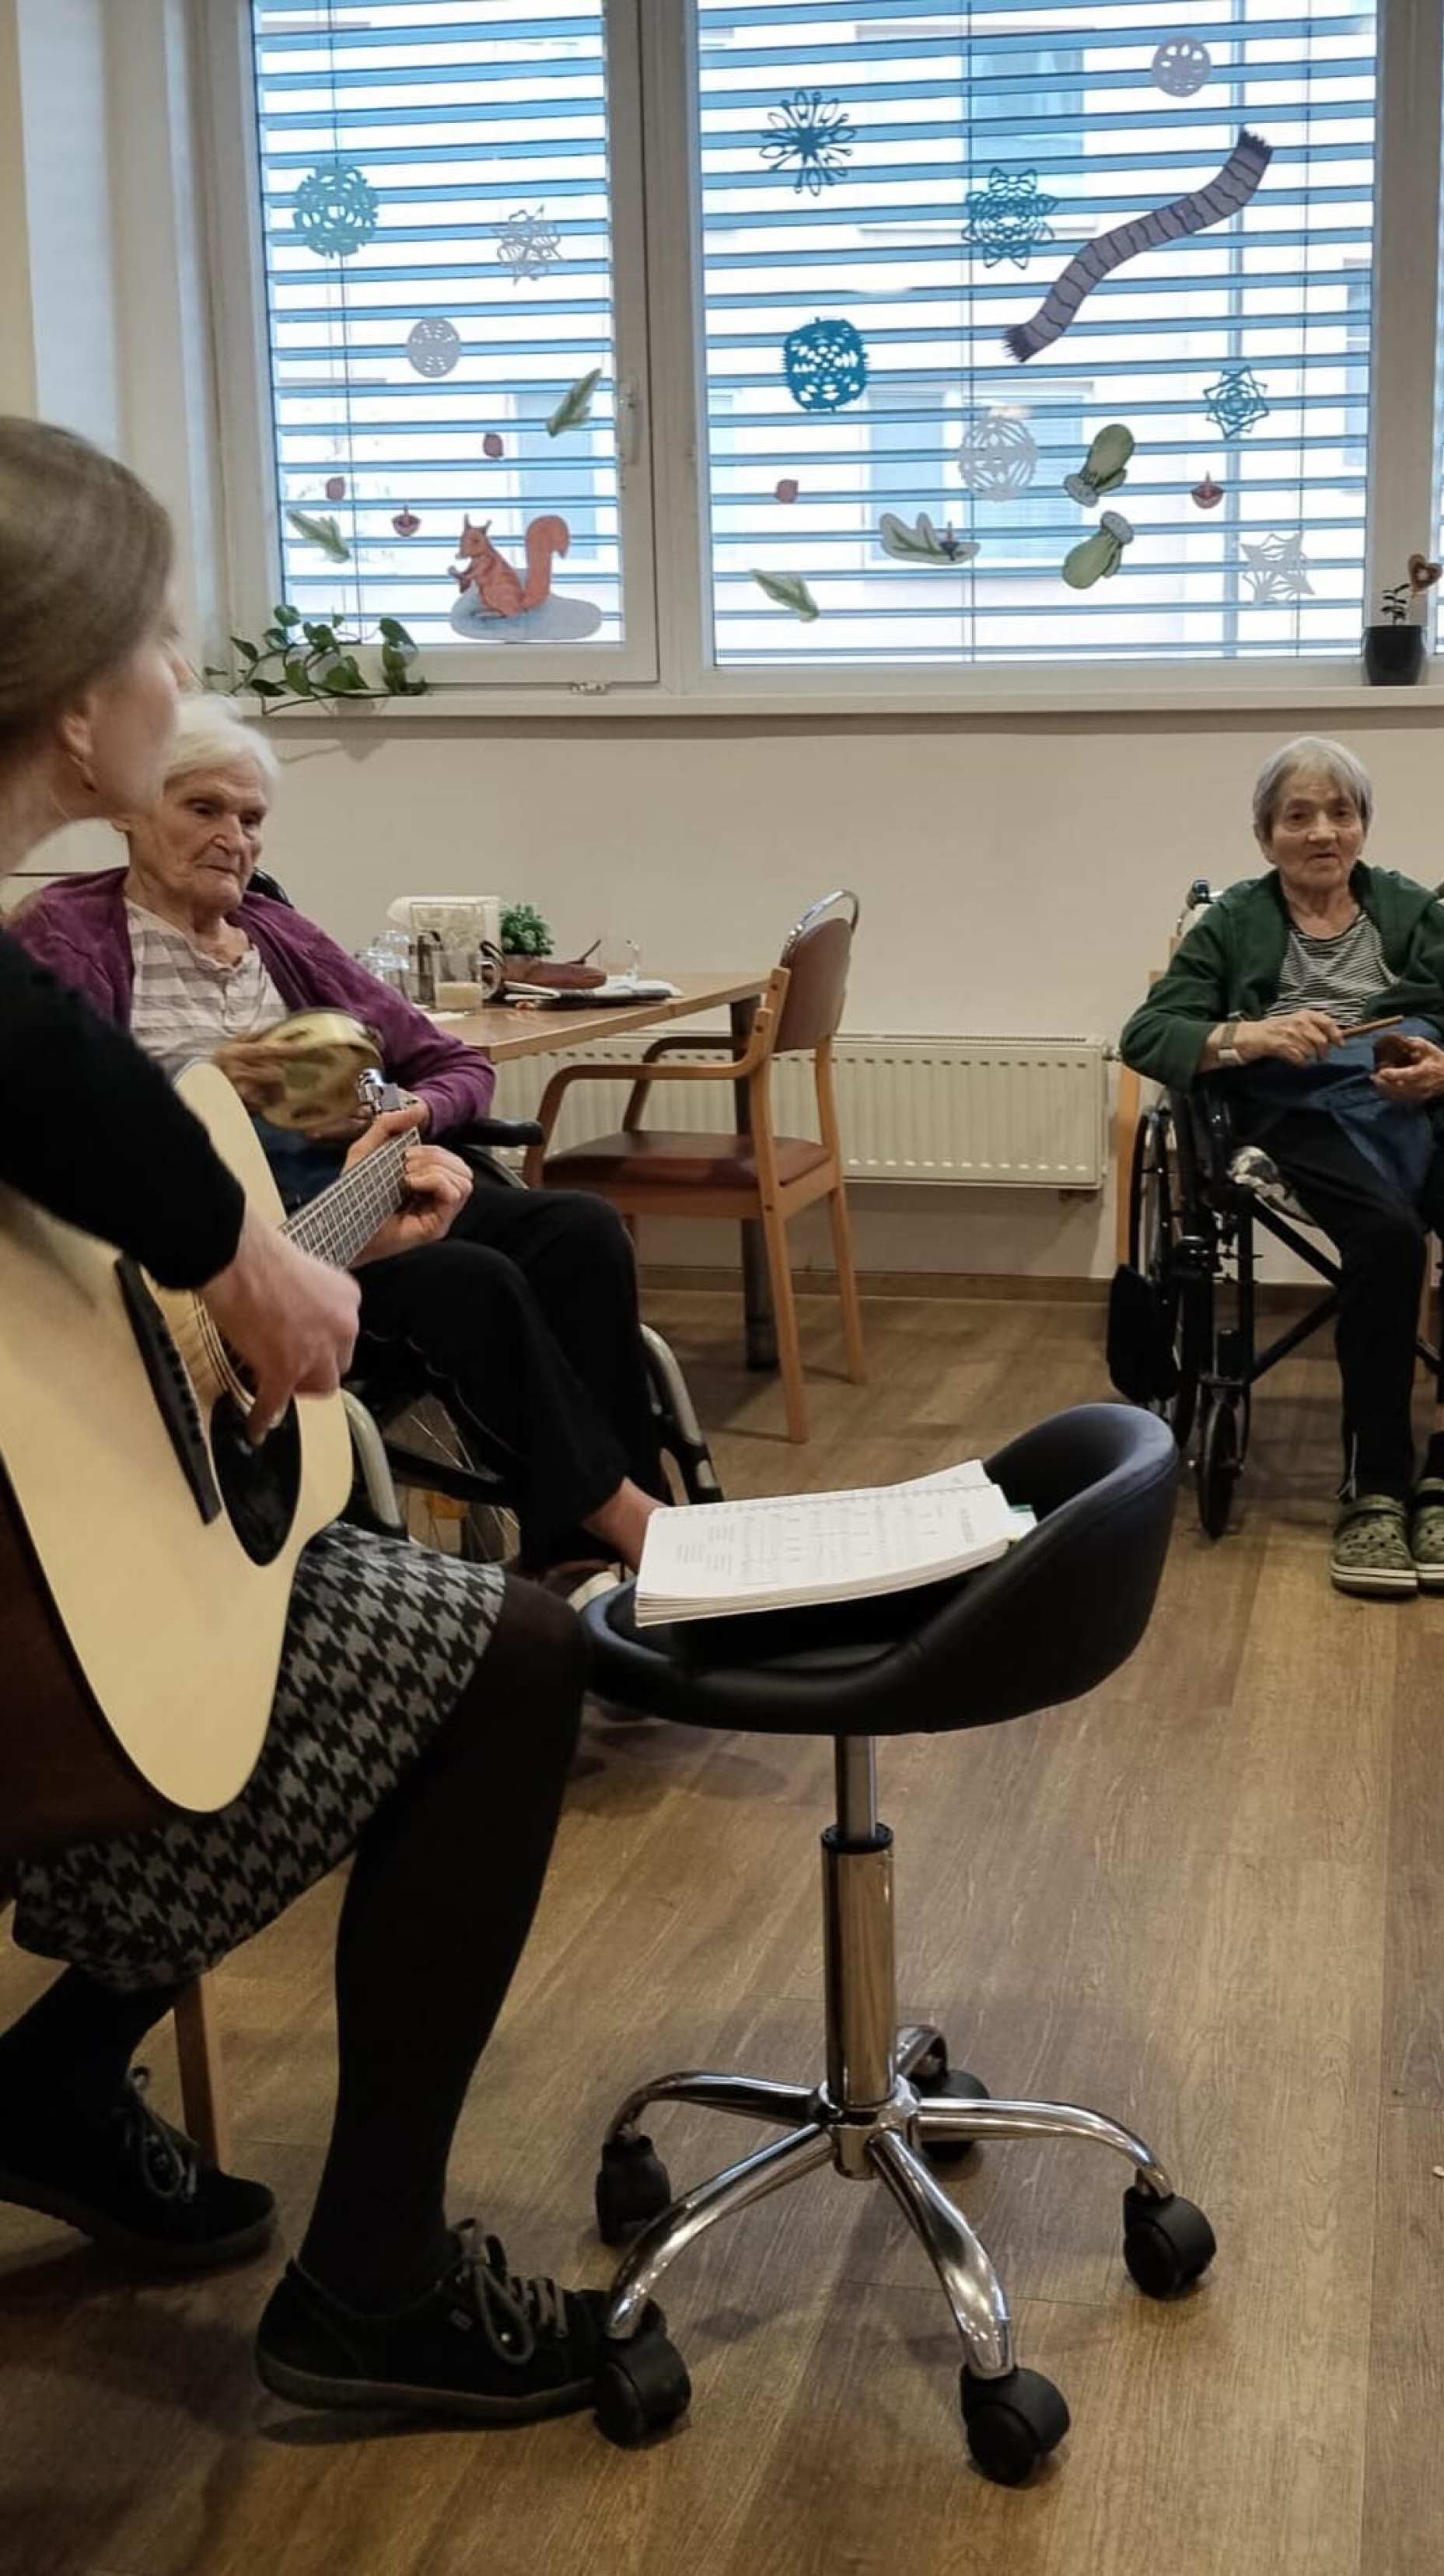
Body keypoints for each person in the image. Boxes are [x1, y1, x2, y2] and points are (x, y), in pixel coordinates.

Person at [0, 415, 606, 2421]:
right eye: (162, 635)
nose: (183, 670)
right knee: (502, 1658)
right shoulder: (49, 943)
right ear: (76, 702)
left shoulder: (169, 947)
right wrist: (239, 1256)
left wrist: (264, 1246)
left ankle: (57, 2078)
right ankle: (373, 2283)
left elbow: (62, 1090)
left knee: (331, 1576)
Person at [10, 694, 666, 1577]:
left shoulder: (276, 934)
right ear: (130, 811)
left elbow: (453, 1063)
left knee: (580, 1229)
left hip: (356, 1196)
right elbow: (65, 1112)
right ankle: (628, 1529)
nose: (233, 839)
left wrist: (406, 1113)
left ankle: (584, 1553)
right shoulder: (66, 933)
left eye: (250, 820)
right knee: (471, 1285)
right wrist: (213, 1081)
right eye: (203, 809)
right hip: (233, 1250)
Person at [1121, 734, 1444, 1599]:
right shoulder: (1234, 923)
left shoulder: (1414, 911)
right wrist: (1254, 1034)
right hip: (1304, 1109)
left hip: (1440, 1098)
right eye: (1297, 816)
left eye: (1341, 813)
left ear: (1363, 826)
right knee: (1386, 1240)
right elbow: (1149, 1034)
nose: (1322, 832)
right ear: (1264, 836)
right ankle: (1374, 1485)